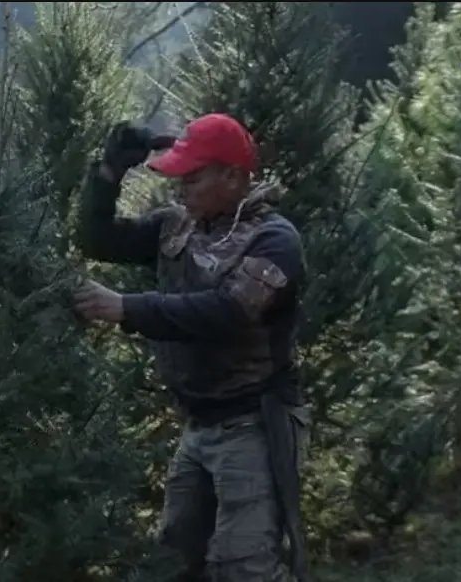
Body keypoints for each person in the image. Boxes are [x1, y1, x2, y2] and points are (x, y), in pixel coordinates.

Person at [73, 113, 310, 582]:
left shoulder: (275, 240)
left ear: (234, 177)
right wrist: (108, 172)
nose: (181, 188)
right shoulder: (176, 227)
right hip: (198, 427)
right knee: (174, 562)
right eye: (179, 177)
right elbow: (96, 239)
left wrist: (127, 308)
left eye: (193, 177)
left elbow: (227, 312)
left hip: (255, 426)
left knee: (244, 568)